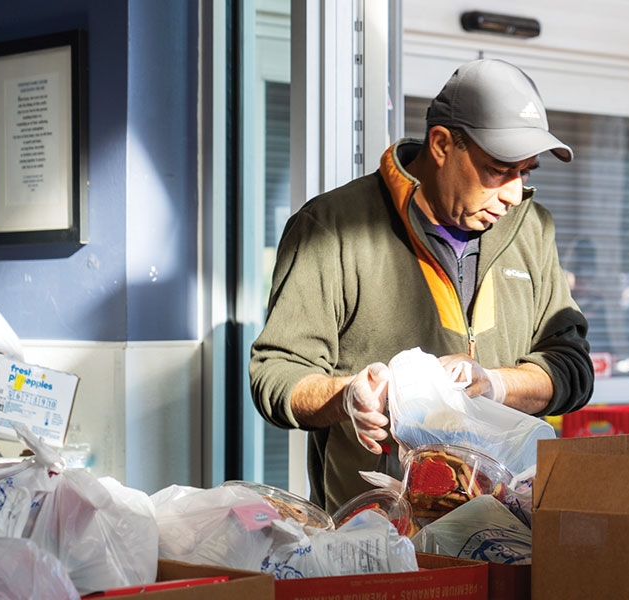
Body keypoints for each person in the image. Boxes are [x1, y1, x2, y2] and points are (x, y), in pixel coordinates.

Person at [249, 58, 594, 514]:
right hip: (378, 538)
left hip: (509, 531)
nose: (514, 194)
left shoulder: (533, 229)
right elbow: (275, 375)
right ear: (442, 144)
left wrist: (494, 384)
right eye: (499, 169)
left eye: (526, 173)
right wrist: (347, 396)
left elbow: (572, 367)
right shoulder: (331, 227)